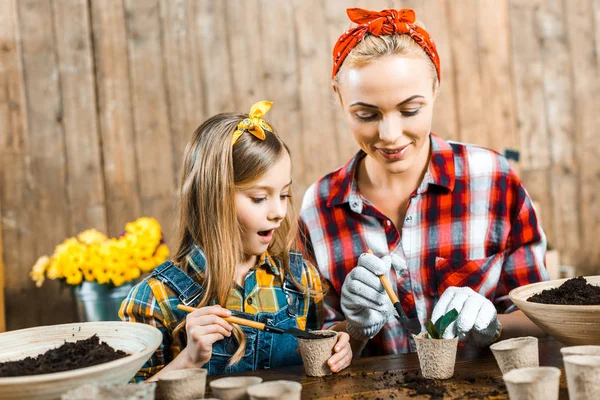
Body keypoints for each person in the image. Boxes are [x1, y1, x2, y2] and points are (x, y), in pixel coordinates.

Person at [298, 8, 548, 357]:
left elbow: (543, 318)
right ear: (339, 96)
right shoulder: (319, 207)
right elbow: (313, 345)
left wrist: (493, 325)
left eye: (410, 110)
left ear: (435, 88)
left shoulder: (493, 180)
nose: (390, 135)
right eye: (366, 115)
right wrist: (353, 329)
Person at [120, 101, 352, 381]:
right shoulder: (154, 299)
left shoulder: (300, 279)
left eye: (284, 195)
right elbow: (128, 394)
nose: (278, 212)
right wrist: (188, 360)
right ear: (211, 198)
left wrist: (340, 347)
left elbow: (318, 373)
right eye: (259, 198)